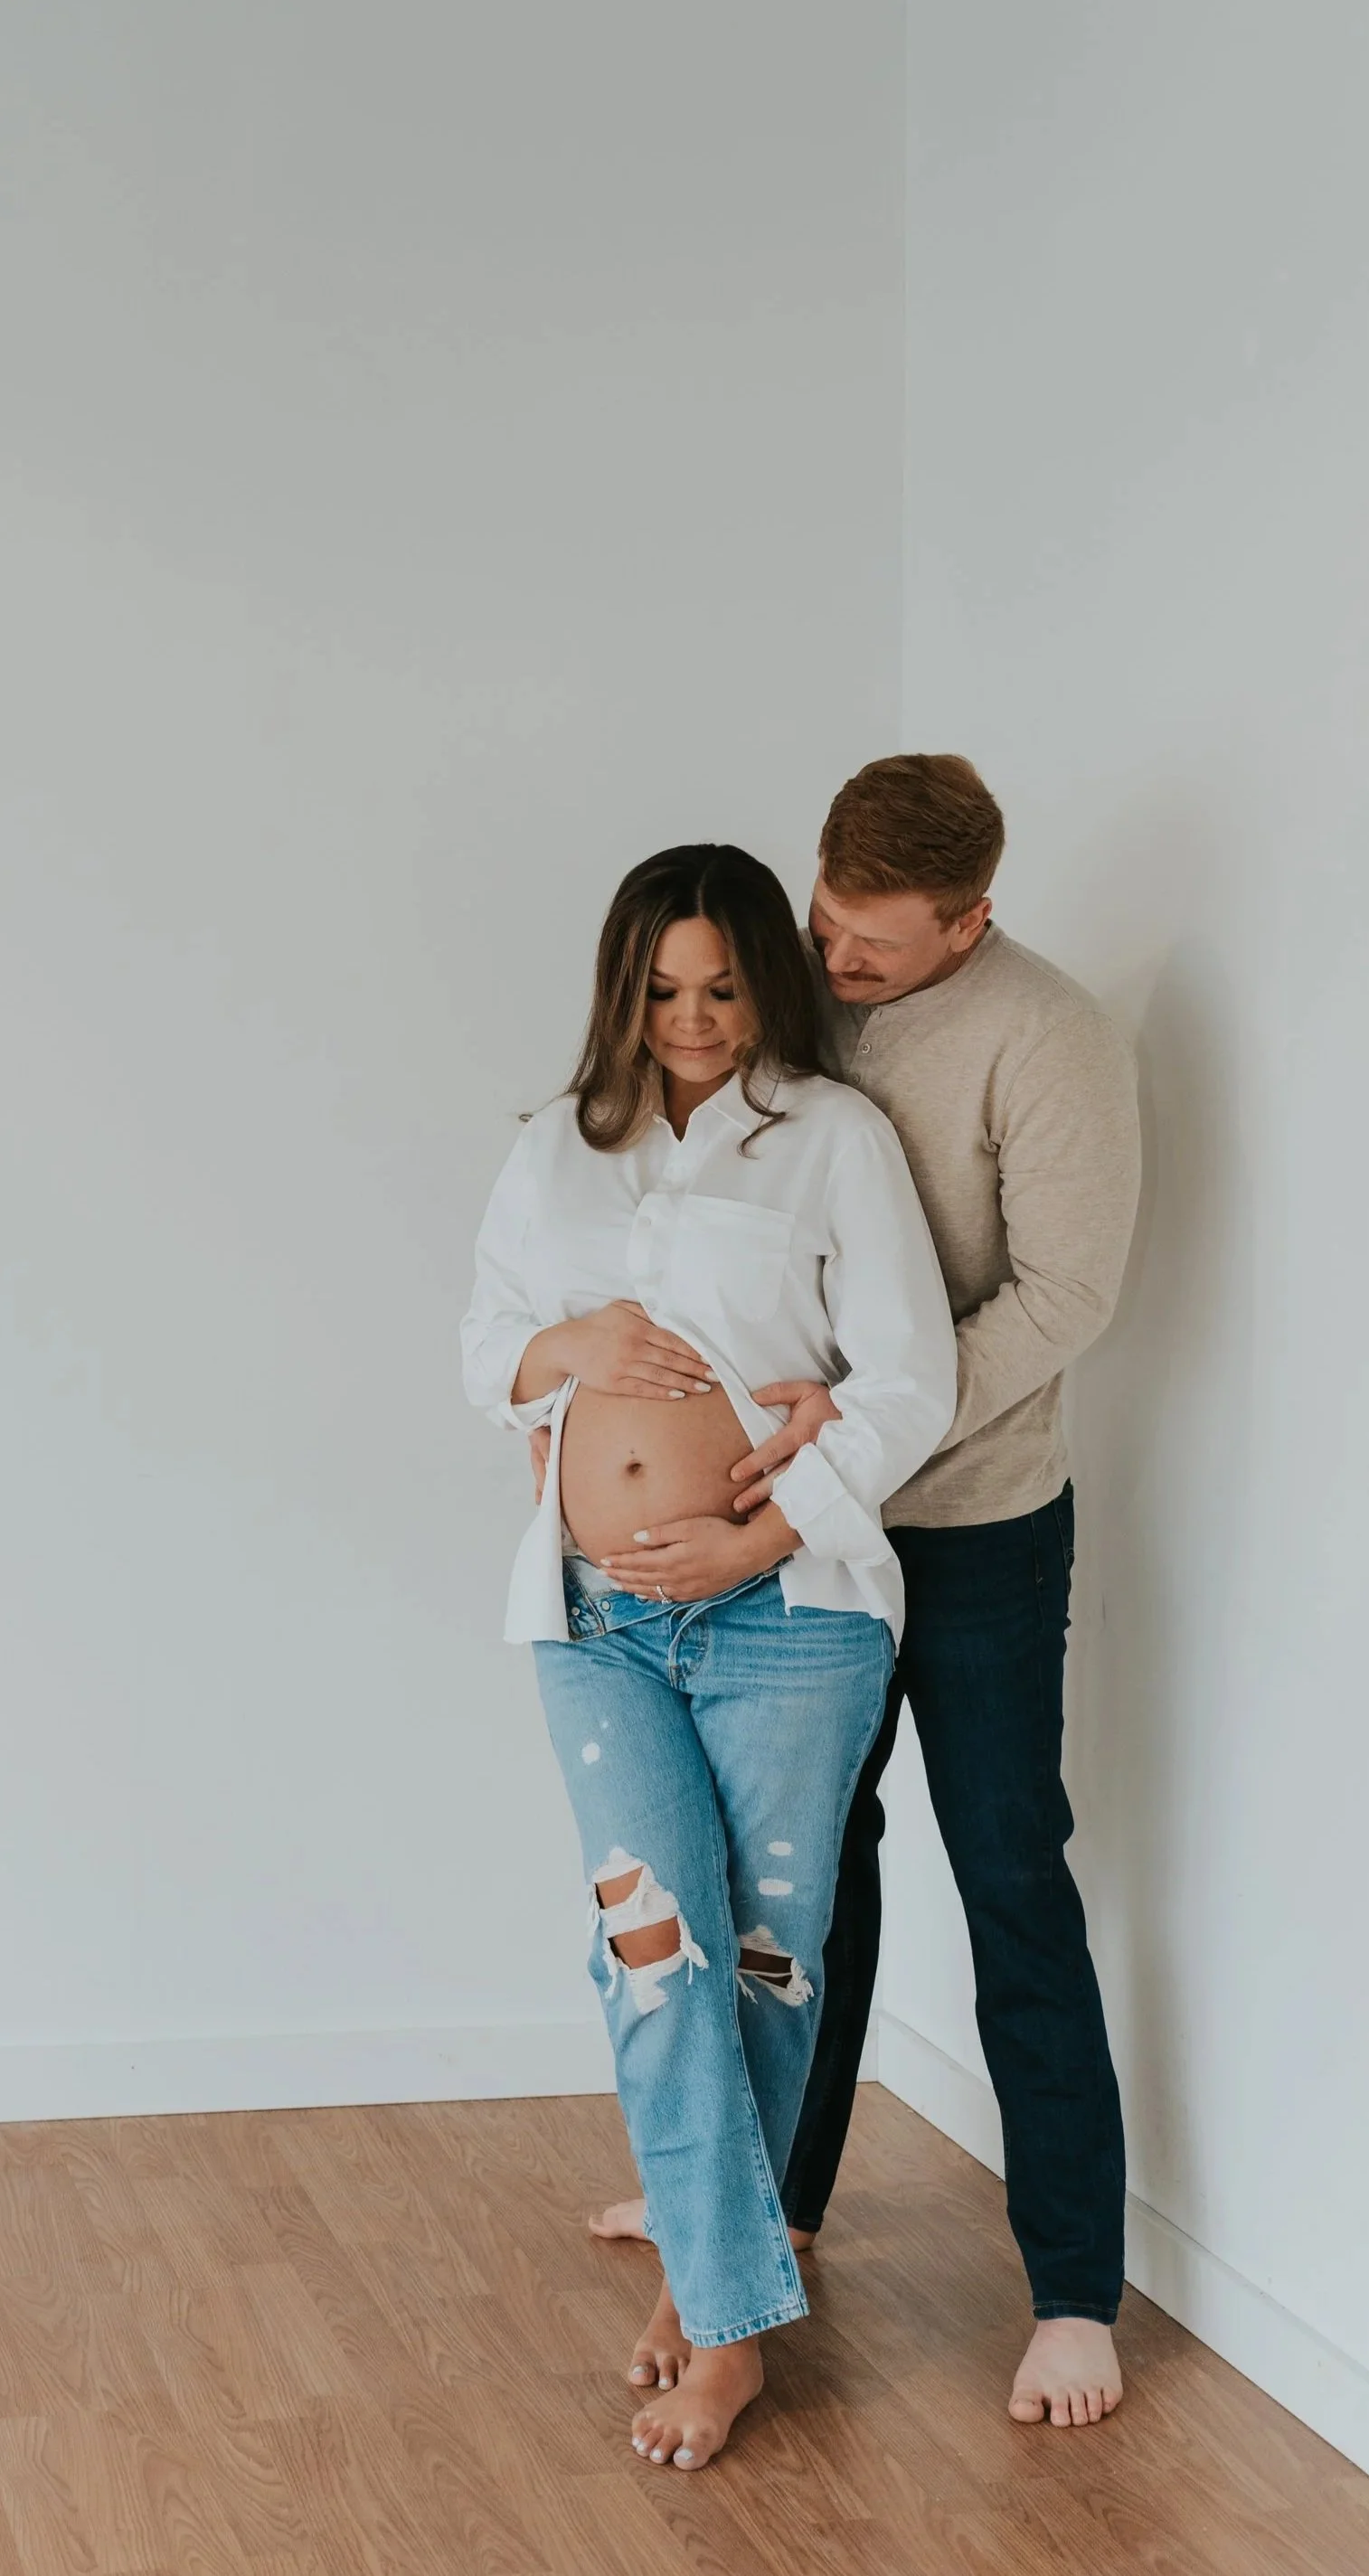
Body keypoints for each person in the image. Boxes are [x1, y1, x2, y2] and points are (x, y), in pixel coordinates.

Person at [586, 756, 1145, 2430]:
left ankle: (1070, 2291)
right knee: (798, 1888)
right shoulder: (804, 994)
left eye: (875, 948)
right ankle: (761, 2220)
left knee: (1007, 1873)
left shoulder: (1049, 1043)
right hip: (802, 1537)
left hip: (965, 1520)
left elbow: (1064, 1296)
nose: (833, 964)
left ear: (972, 919)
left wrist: (867, 1416)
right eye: (822, 923)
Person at [461, 840, 957, 2473]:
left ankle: (719, 2311)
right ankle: (725, 2281)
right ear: (624, 990)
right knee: (649, 1955)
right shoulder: (552, 1153)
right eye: (664, 991)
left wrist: (764, 1528)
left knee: (763, 1957)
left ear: (770, 982)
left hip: (789, 1615)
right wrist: (568, 1346)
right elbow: (485, 1361)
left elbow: (908, 1382)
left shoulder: (834, 1140)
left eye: (725, 987)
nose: (694, 1020)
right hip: (598, 1622)